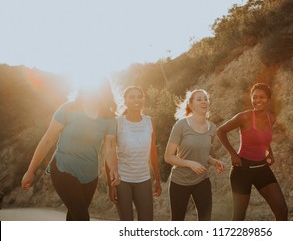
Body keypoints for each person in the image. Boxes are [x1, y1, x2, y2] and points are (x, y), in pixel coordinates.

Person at [21, 78, 120, 221]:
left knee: (74, 217)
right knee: (82, 217)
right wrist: (30, 171)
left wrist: (114, 169)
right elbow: (48, 140)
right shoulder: (68, 109)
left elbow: (110, 147)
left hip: (90, 175)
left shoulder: (109, 118)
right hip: (63, 168)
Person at [216, 83, 288, 221]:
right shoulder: (245, 117)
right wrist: (233, 154)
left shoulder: (270, 118)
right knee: (239, 218)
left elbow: (263, 139)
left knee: (282, 210)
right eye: (254, 97)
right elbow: (220, 131)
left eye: (262, 97)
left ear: (269, 99)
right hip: (242, 170)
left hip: (262, 168)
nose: (258, 100)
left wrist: (269, 152)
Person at [164, 89, 225, 221]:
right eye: (199, 99)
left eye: (205, 99)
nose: (204, 101)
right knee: (177, 221)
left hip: (201, 180)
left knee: (205, 220)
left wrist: (214, 162)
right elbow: (168, 156)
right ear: (191, 105)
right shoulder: (181, 125)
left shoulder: (212, 128)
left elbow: (202, 154)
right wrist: (189, 163)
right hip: (180, 181)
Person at [106, 86, 161, 221]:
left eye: (139, 96)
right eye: (132, 97)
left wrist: (157, 179)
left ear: (143, 99)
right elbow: (110, 154)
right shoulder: (118, 123)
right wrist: (110, 185)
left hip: (143, 179)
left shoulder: (150, 121)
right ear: (124, 101)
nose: (136, 99)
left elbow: (153, 152)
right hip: (122, 180)